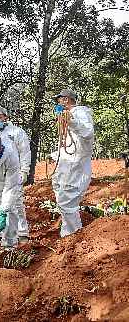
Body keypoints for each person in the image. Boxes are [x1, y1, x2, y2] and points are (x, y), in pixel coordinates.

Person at [51, 89, 94, 237]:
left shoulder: (80, 113)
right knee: (59, 191)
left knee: (67, 200)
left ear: (66, 100)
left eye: (59, 100)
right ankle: (69, 229)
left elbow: (88, 132)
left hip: (76, 164)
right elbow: (67, 141)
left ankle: (73, 234)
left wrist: (71, 121)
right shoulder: (67, 115)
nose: (58, 103)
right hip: (66, 163)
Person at [0, 106, 31, 243]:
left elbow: (25, 152)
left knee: (16, 202)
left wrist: (25, 170)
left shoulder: (17, 132)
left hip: (14, 172)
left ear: (6, 117)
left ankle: (22, 233)